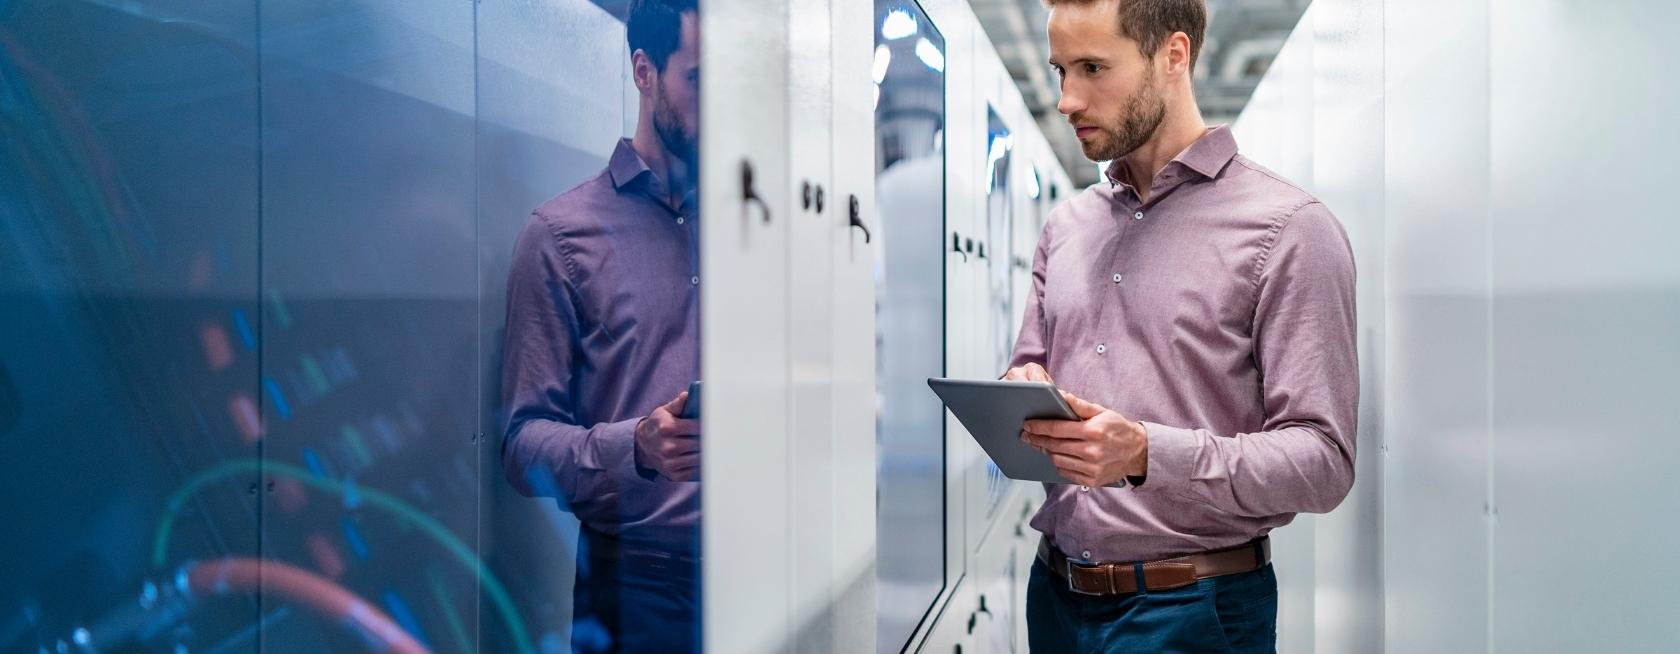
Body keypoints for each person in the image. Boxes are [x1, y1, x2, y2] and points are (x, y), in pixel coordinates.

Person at [1005, 0, 1358, 651]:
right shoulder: (1066, 228)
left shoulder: (1288, 230)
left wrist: (1147, 452)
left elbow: (1323, 461)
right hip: (1053, 595)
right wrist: (1022, 385)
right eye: (1059, 70)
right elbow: (1031, 362)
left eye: (1092, 67)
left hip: (1194, 610)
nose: (1066, 99)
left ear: (1174, 55)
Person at [498, 0, 702, 651]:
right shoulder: (560, 237)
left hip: (762, 563)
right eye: (699, 82)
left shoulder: (748, 228)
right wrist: (635, 446)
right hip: (637, 583)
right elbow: (521, 444)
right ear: (644, 71)